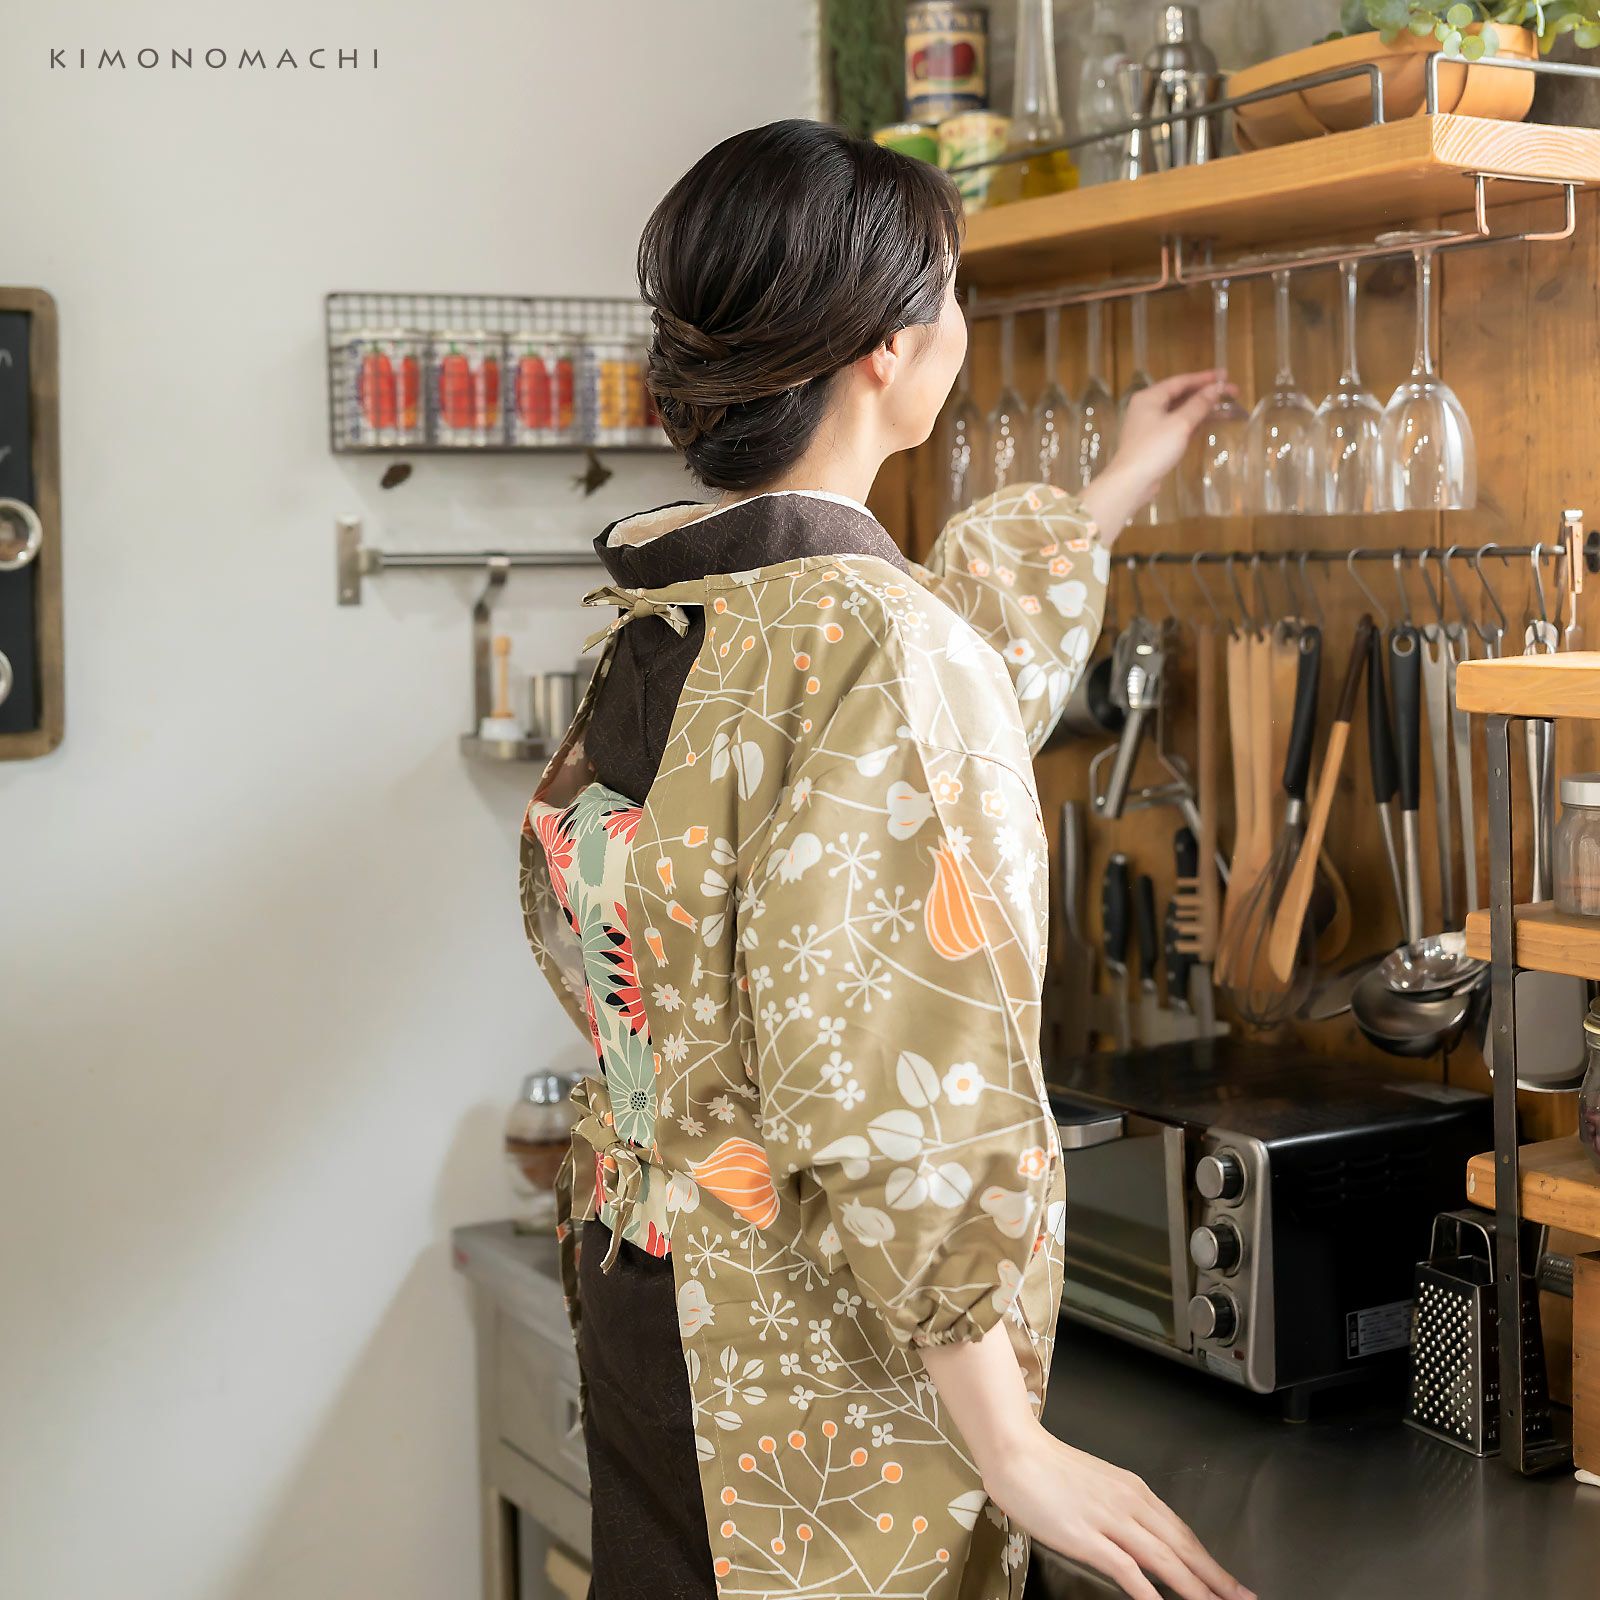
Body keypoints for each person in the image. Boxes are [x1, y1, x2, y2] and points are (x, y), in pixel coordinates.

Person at [520, 119, 1250, 1600]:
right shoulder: (876, 642)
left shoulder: (676, 619)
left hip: (651, 1296)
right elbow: (891, 1063)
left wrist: (1117, 481)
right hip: (812, 1367)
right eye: (954, 294)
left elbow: (945, 649)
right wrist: (1012, 1443)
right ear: (890, 349)